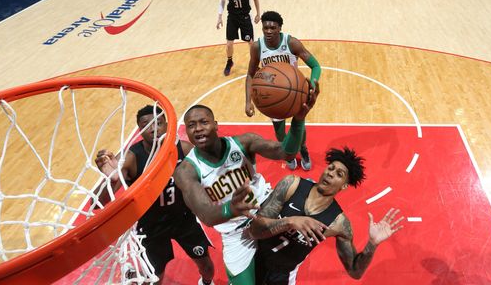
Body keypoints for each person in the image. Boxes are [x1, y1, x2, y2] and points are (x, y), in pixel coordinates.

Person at [174, 98, 315, 285]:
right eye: (191, 125)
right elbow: (206, 215)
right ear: (187, 132)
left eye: (204, 122)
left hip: (266, 210)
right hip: (235, 232)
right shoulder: (186, 171)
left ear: (216, 125)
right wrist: (232, 209)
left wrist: (298, 119)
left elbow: (286, 152)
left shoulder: (243, 143)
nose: (198, 128)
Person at [94, 105, 215, 285]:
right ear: (140, 129)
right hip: (151, 226)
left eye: (158, 123)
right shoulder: (131, 157)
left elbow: (210, 177)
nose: (153, 128)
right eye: (146, 124)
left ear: (166, 125)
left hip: (184, 219)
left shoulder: (185, 149)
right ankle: (135, 271)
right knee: (155, 277)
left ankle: (206, 283)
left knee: (206, 267)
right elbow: (97, 202)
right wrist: (110, 180)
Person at [248, 147, 404, 284]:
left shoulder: (338, 223)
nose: (330, 174)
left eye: (339, 174)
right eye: (331, 168)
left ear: (344, 185)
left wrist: (372, 244)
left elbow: (355, 272)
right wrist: (290, 222)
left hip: (284, 275)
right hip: (251, 258)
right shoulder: (291, 185)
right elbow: (254, 230)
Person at [245, 11, 322, 171]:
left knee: (299, 125)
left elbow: (315, 66)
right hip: (271, 94)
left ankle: (303, 150)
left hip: (295, 92)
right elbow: (250, 75)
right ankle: (288, 154)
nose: (268, 31)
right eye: (265, 27)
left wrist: (313, 82)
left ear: (280, 28)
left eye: (273, 28)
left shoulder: (292, 43)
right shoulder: (257, 47)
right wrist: (248, 101)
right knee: (280, 134)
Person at [217, 0, 261, 76]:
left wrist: (258, 13)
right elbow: (222, 1)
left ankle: (254, 64)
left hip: (245, 17)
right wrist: (219, 17)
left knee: (251, 43)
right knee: (229, 44)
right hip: (232, 17)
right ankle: (229, 61)